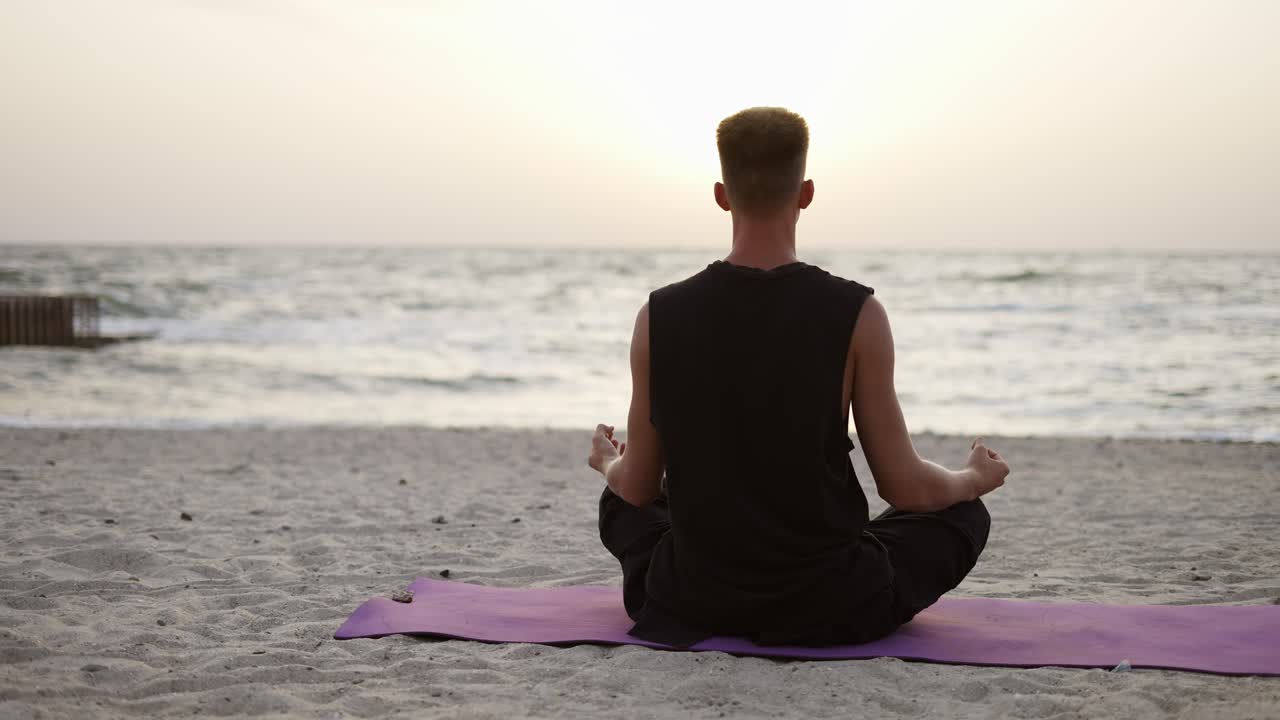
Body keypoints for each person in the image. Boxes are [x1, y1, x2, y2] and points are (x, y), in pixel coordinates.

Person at [586, 107, 1010, 648]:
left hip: (691, 596)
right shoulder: (858, 313)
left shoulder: (657, 316)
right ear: (806, 193)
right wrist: (973, 479)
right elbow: (904, 487)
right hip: (833, 602)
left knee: (620, 501)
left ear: (722, 195)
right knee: (961, 514)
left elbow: (639, 486)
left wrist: (606, 460)